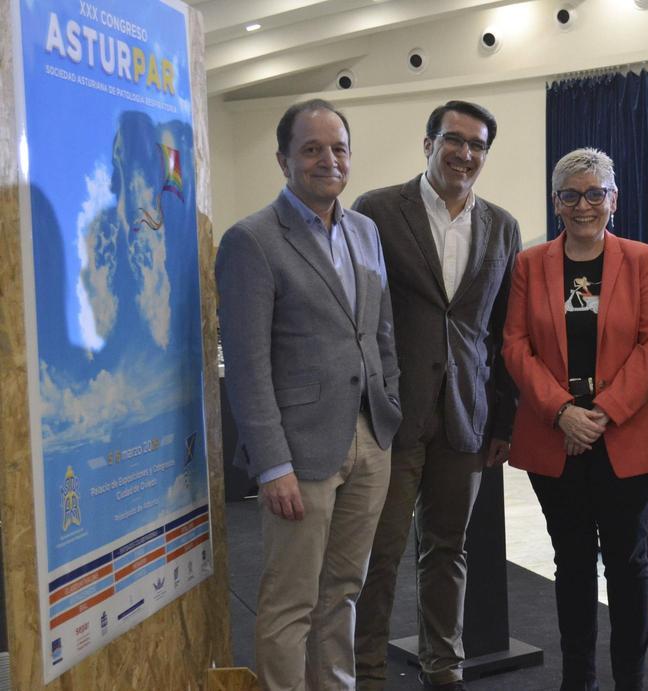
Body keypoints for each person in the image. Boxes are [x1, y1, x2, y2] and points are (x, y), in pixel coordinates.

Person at [215, 99, 403, 689]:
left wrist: (388, 406)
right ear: (283, 158)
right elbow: (246, 365)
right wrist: (272, 464)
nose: (328, 160)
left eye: (338, 148)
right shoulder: (252, 240)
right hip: (299, 455)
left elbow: (381, 330)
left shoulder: (364, 230)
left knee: (343, 591)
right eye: (312, 148)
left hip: (370, 439)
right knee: (290, 602)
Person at [352, 100, 522, 691]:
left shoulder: (502, 225)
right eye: (455, 140)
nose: (466, 154)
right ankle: (366, 673)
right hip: (392, 418)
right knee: (380, 555)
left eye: (477, 145)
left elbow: (502, 333)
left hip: (465, 419)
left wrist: (503, 420)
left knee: (448, 551)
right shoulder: (375, 212)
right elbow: (358, 316)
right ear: (428, 143)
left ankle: (442, 670)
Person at [503, 148, 648, 691]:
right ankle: (577, 680)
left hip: (625, 436)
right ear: (557, 203)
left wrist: (599, 413)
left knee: (628, 567)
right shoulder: (530, 264)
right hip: (555, 438)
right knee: (571, 564)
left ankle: (631, 680)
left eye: (595, 193)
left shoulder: (642, 258)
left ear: (613, 199)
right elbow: (514, 346)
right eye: (571, 195)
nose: (584, 206)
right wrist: (561, 412)